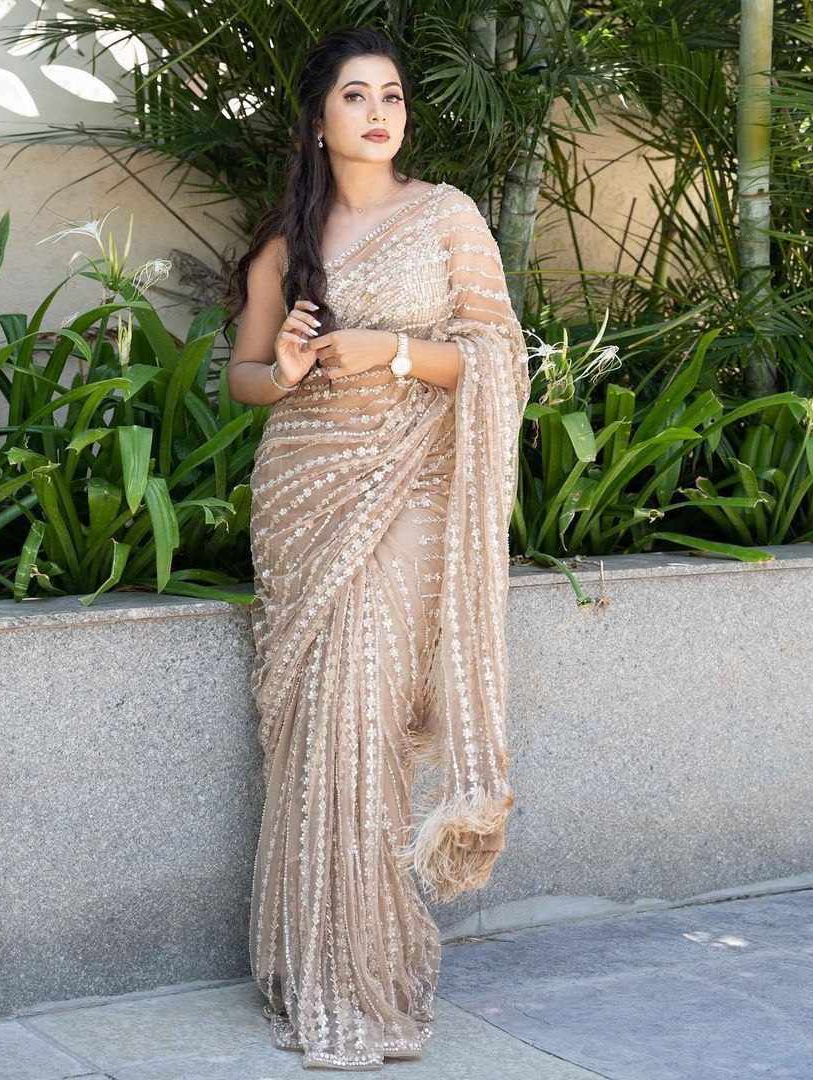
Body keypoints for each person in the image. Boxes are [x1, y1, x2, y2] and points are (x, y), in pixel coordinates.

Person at [222, 25, 531, 1072]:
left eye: (391, 94)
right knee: (319, 730)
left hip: (408, 492)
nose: (379, 112)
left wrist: (394, 351)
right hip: (304, 495)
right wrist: (290, 367)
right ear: (320, 119)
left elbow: (497, 355)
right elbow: (245, 378)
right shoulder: (285, 244)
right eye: (356, 95)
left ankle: (368, 969)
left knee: (366, 717)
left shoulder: (446, 216)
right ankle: (318, 966)